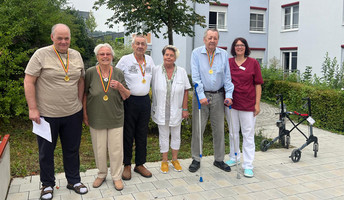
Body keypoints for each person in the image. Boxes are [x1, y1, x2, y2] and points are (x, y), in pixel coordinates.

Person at [24, 24, 88, 200]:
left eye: (66, 38)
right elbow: (29, 81)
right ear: (52, 37)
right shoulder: (41, 54)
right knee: (46, 152)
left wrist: (79, 103)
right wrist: (32, 108)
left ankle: (74, 180)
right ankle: (47, 184)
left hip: (72, 113)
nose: (63, 41)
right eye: (59, 38)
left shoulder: (76, 55)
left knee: (72, 150)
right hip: (46, 114)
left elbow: (81, 80)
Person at [83, 43, 130, 190]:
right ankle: (102, 174)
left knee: (116, 149)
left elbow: (127, 95)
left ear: (112, 56)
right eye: (102, 54)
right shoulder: (90, 72)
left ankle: (116, 176)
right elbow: (84, 94)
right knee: (99, 148)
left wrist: (120, 87)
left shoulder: (118, 73)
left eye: (108, 54)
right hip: (96, 117)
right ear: (97, 57)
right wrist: (84, 114)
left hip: (115, 117)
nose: (105, 57)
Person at [189, 28, 234, 173]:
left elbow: (227, 78)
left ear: (218, 40)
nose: (212, 41)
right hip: (200, 97)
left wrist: (229, 95)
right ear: (204, 39)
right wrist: (201, 95)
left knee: (219, 129)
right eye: (210, 38)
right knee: (198, 129)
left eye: (215, 38)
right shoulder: (196, 53)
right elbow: (195, 78)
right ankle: (196, 159)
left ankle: (219, 159)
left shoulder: (223, 54)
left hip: (218, 96)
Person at [116, 35, 155, 180]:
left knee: (142, 133)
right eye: (137, 43)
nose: (140, 46)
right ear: (133, 45)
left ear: (146, 46)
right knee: (128, 134)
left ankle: (139, 164)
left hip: (145, 100)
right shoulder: (125, 60)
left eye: (143, 44)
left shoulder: (149, 60)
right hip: (129, 101)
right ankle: (127, 165)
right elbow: (116, 76)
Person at [225, 37, 264, 178]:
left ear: (246, 47)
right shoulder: (228, 62)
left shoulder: (253, 63)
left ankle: (248, 165)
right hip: (232, 104)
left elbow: (258, 84)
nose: (239, 47)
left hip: (248, 105)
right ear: (233, 48)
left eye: (242, 45)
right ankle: (234, 157)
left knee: (248, 135)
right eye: (237, 45)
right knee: (233, 133)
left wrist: (257, 104)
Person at [151, 45, 191, 173]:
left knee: (176, 135)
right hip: (161, 110)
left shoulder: (182, 72)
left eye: (171, 55)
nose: (168, 57)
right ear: (163, 56)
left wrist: (185, 108)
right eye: (166, 54)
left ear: (175, 58)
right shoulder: (155, 70)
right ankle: (164, 161)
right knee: (163, 135)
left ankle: (174, 159)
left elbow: (185, 90)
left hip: (176, 110)